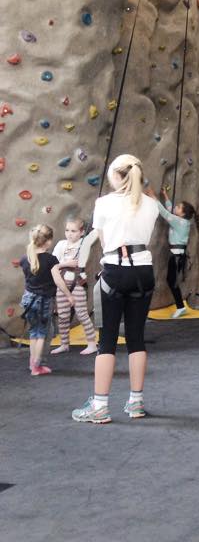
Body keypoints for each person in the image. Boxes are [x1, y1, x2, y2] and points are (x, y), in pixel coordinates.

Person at [71, 154, 159, 424]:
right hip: (143, 272)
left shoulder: (104, 203)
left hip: (115, 271)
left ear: (117, 176)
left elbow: (104, 240)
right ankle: (136, 402)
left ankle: (100, 405)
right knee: (136, 338)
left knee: (107, 339)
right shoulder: (151, 204)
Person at [20, 225, 76, 375]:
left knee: (34, 332)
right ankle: (36, 366)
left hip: (28, 299)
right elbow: (58, 280)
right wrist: (69, 295)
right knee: (41, 334)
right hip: (43, 300)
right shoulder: (51, 260)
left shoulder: (25, 258)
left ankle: (32, 363)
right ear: (48, 241)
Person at [50, 216, 99, 355]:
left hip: (78, 282)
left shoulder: (84, 243)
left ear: (82, 232)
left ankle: (92, 344)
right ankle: (64, 344)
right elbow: (54, 263)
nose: (69, 234)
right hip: (62, 283)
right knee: (63, 315)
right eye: (67, 230)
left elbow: (96, 232)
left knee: (82, 313)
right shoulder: (61, 244)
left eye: (73, 231)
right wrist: (66, 264)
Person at [147, 187, 197, 319]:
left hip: (176, 257)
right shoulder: (182, 221)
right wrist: (165, 196)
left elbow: (165, 213)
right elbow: (170, 211)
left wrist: (154, 197)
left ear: (183, 213)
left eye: (179, 207)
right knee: (172, 281)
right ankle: (181, 307)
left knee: (172, 281)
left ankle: (181, 307)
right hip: (176, 255)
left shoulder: (180, 222)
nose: (176, 207)